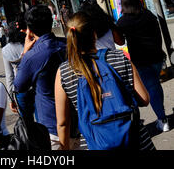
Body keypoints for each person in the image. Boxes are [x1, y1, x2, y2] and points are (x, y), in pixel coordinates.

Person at [55, 10, 155, 150]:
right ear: (94, 34)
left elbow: (63, 123)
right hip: (135, 140)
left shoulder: (65, 72)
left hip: (93, 143)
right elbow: (144, 99)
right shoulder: (119, 58)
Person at [13, 5, 66, 150]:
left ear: (29, 29)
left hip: (51, 125)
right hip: (76, 121)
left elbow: (18, 86)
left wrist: (24, 52)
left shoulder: (32, 56)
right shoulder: (67, 44)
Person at [117, 0, 170, 132]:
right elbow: (158, 36)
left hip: (141, 61)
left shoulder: (123, 22)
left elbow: (120, 40)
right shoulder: (149, 15)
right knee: (155, 87)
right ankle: (162, 113)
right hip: (157, 57)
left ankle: (162, 119)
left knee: (152, 89)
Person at [2, 18, 35, 123]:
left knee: (27, 122)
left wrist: (11, 98)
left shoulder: (5, 50)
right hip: (35, 85)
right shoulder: (30, 44)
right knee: (41, 120)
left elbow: (9, 75)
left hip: (19, 87)